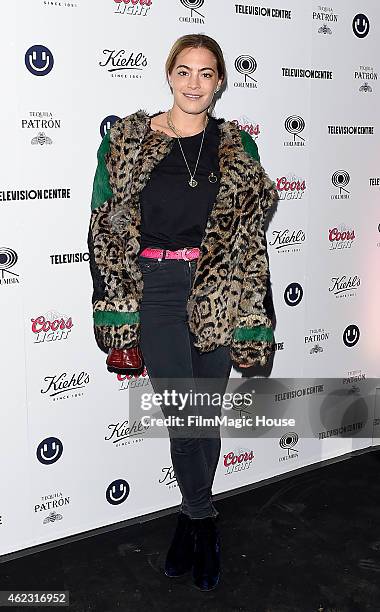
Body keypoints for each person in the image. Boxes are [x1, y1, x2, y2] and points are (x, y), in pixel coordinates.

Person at [87, 33, 278, 591]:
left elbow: (250, 243)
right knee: (184, 413)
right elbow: (102, 229)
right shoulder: (127, 142)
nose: (195, 83)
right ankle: (203, 521)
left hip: (217, 288)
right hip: (158, 290)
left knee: (204, 415)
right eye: (185, 71)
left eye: (207, 72)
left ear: (220, 82)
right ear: (169, 76)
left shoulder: (236, 148)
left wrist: (254, 314)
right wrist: (115, 308)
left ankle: (191, 521)